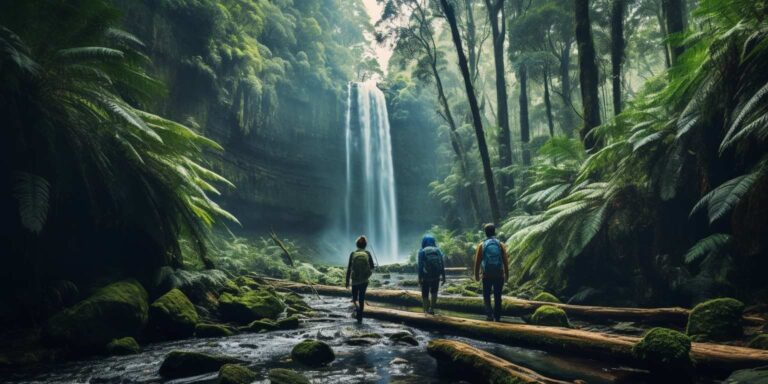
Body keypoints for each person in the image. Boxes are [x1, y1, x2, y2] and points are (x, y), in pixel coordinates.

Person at [474, 223, 509, 321]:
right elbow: (505, 261)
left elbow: (477, 262)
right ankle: (497, 317)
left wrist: (476, 275)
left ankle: (489, 315)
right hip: (499, 274)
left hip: (487, 275)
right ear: (495, 232)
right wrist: (507, 274)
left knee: (486, 295)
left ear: (485, 233)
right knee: (498, 296)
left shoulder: (482, 245)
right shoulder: (500, 244)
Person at [345, 235, 375, 323]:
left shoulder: (353, 254)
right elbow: (372, 267)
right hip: (364, 281)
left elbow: (349, 268)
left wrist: (347, 281)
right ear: (365, 245)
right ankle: (360, 318)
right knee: (361, 298)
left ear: (357, 245)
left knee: (355, 299)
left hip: (354, 281)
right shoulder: (368, 253)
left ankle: (356, 311)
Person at [417, 234, 446, 315]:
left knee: (425, 293)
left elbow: (420, 266)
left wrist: (419, 278)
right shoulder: (438, 250)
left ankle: (425, 311)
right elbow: (442, 264)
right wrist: (443, 277)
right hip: (436, 275)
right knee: (434, 292)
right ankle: (432, 309)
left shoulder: (422, 251)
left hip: (425, 276)